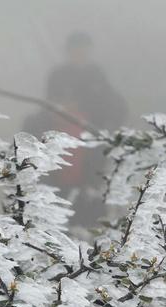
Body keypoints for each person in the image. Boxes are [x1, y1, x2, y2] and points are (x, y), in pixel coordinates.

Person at [23, 32, 128, 224]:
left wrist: (99, 119)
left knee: (91, 170)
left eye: (84, 50)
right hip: (62, 127)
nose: (80, 54)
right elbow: (49, 103)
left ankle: (89, 210)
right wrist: (63, 109)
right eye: (76, 50)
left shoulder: (96, 74)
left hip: (89, 132)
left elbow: (111, 103)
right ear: (68, 52)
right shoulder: (58, 75)